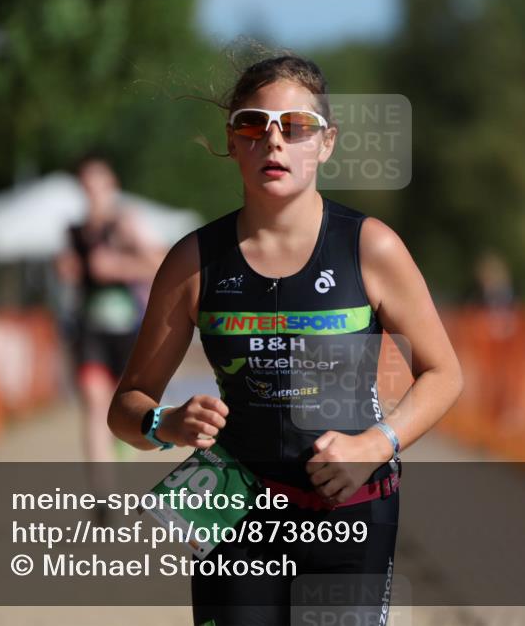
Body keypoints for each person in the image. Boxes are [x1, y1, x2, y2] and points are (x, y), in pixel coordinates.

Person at [108, 55, 464, 625]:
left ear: (325, 143)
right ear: (232, 140)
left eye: (296, 127)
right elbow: (127, 407)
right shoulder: (192, 262)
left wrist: (374, 445)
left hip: (348, 513)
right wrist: (165, 424)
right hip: (234, 515)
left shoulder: (371, 248)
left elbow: (445, 374)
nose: (273, 141)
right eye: (253, 124)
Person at [56, 156, 164, 515]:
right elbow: (70, 275)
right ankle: (102, 495)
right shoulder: (73, 232)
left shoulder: (127, 223)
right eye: (87, 188)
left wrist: (119, 265)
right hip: (90, 330)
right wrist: (67, 271)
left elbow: (160, 265)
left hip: (130, 330)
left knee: (126, 411)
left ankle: (121, 449)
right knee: (92, 400)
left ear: (112, 189)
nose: (93, 195)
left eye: (100, 187)